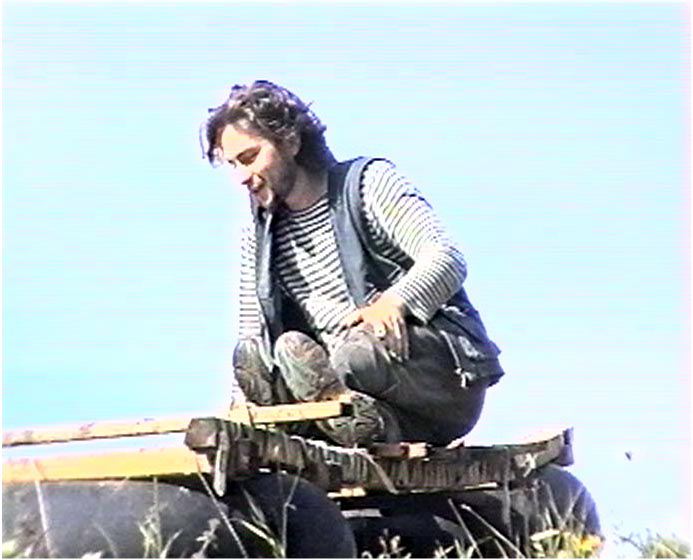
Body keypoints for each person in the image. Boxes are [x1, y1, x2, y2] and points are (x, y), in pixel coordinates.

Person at [203, 80, 504, 447]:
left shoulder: (366, 184)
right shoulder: (258, 233)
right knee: (261, 354)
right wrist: (240, 409)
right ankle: (358, 425)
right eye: (232, 165)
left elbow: (446, 256)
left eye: (250, 157)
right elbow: (252, 329)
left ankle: (347, 414)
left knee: (353, 353)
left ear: (290, 141)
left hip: (432, 379)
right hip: (336, 384)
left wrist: (396, 302)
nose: (240, 177)